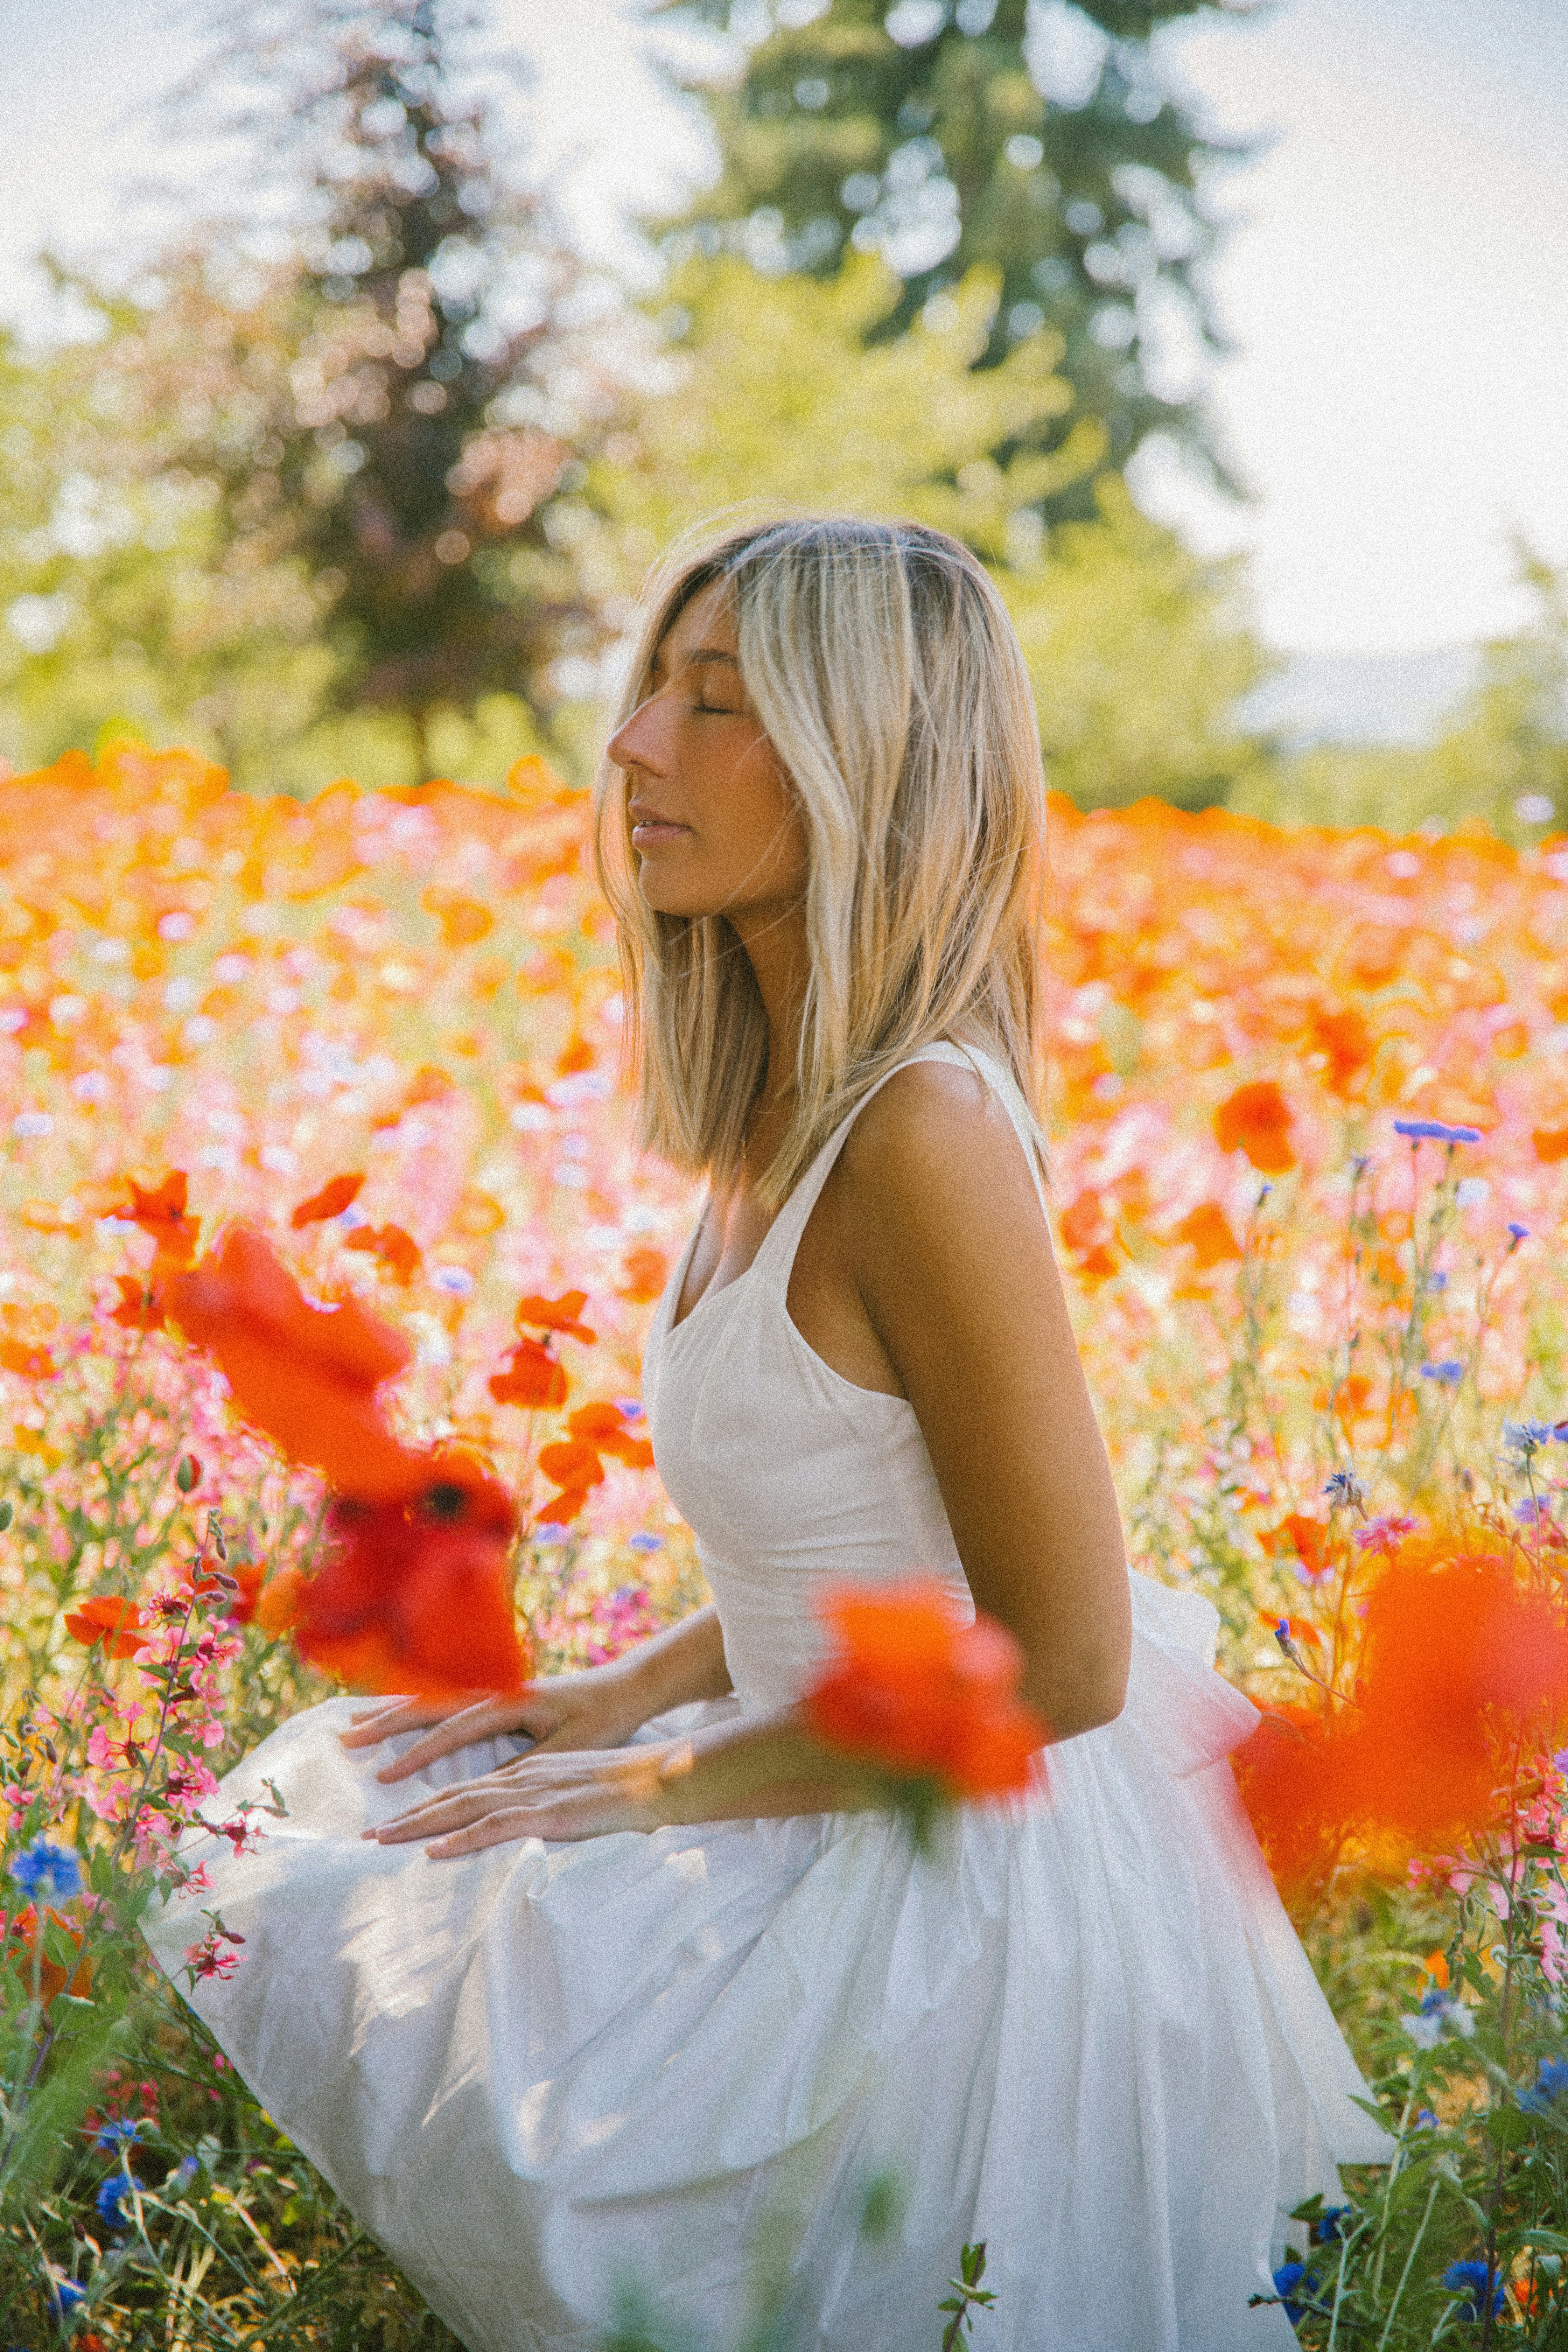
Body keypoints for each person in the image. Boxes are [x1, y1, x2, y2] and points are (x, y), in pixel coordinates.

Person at [144, 516, 1388, 2351]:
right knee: (315, 1819)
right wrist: (623, 1696)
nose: (636, 744)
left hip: (953, 1886)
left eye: (714, 704)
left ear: (861, 761)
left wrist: (652, 1787)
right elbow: (862, 1533)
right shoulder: (787, 1124)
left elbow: (1066, 1656)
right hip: (798, 1767)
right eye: (654, 690)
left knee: (375, 1911)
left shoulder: (922, 1137)